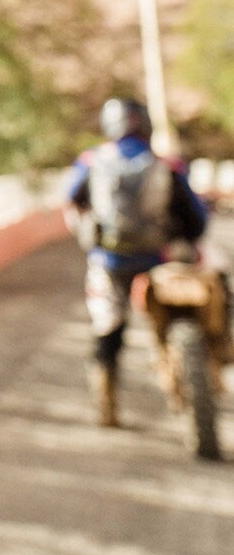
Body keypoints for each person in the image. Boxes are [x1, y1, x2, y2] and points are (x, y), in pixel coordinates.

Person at [65, 97, 208, 427]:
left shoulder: (91, 162)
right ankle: (184, 383)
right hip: (160, 261)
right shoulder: (166, 165)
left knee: (107, 327)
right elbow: (197, 221)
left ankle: (106, 399)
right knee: (175, 318)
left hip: (107, 262)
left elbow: (72, 204)